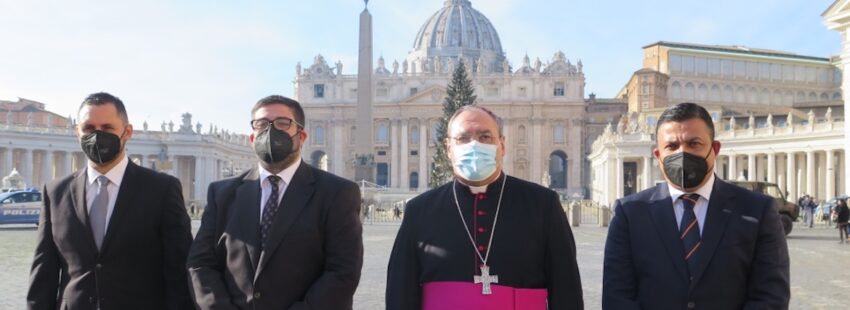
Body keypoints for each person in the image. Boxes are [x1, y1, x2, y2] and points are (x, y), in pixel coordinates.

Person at [386, 105, 583, 310]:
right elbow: (401, 293)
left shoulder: (543, 204)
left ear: (502, 145)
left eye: (485, 137)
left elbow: (566, 289)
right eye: (463, 138)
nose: (474, 145)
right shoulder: (419, 211)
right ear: (448, 149)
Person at [602, 102, 790, 309]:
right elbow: (617, 298)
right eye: (672, 146)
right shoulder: (629, 213)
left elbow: (771, 296)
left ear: (715, 149)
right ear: (658, 156)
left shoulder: (757, 211)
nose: (683, 154)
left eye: (694, 143)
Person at [187, 95, 363, 309]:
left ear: (302, 136)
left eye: (282, 123)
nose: (270, 132)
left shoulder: (337, 193)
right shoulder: (221, 194)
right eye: (261, 125)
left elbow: (342, 271)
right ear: (252, 138)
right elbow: (200, 263)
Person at [27, 92, 194, 310]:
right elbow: (43, 274)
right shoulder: (55, 192)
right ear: (77, 132)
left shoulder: (162, 189)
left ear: (127, 132)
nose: (97, 135)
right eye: (88, 128)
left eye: (107, 128)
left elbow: (179, 270)